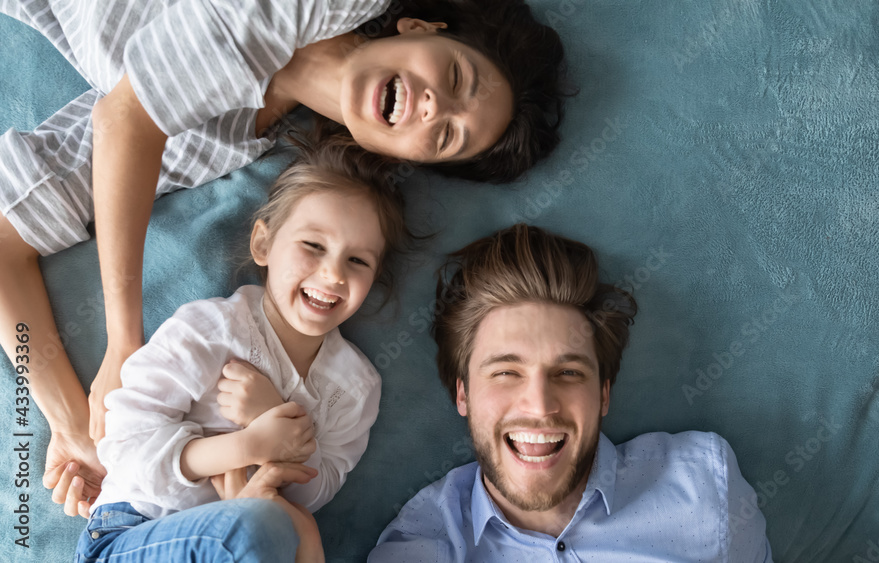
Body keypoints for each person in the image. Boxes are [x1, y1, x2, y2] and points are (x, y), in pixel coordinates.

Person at [0, 0, 567, 516]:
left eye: (445, 136)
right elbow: (126, 119)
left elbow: (8, 235)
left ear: (410, 158)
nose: (430, 105)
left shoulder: (213, 144)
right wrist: (124, 343)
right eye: (453, 76)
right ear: (418, 27)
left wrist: (73, 425)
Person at [74, 140, 406, 561]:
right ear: (263, 244)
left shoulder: (357, 386)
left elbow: (317, 492)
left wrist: (276, 418)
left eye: (357, 261)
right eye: (314, 246)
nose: (333, 274)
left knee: (294, 526)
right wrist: (248, 447)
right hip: (133, 530)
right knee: (274, 527)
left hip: (253, 539)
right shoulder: (213, 330)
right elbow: (124, 443)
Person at [369, 224, 773, 561]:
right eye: (507, 372)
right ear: (463, 395)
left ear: (603, 394)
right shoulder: (419, 549)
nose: (540, 406)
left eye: (567, 372)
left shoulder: (705, 486)